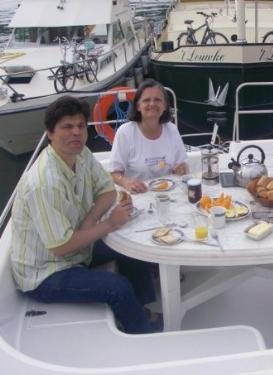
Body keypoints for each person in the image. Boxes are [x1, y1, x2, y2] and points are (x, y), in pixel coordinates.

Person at [9, 96, 161, 334]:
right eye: (67, 127)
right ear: (50, 133)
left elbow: (107, 191)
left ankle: (142, 308)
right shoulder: (45, 182)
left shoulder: (81, 155)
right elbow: (61, 247)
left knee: (133, 248)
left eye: (80, 126)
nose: (76, 133)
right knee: (117, 287)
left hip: (77, 249)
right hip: (46, 273)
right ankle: (144, 334)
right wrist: (109, 223)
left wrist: (89, 222)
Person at [110, 79, 188, 193]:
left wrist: (182, 168)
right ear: (138, 106)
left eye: (157, 100)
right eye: (146, 100)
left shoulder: (172, 129)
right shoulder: (125, 132)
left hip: (169, 194)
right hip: (138, 195)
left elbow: (184, 165)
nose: (152, 104)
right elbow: (113, 174)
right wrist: (126, 182)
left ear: (165, 105)